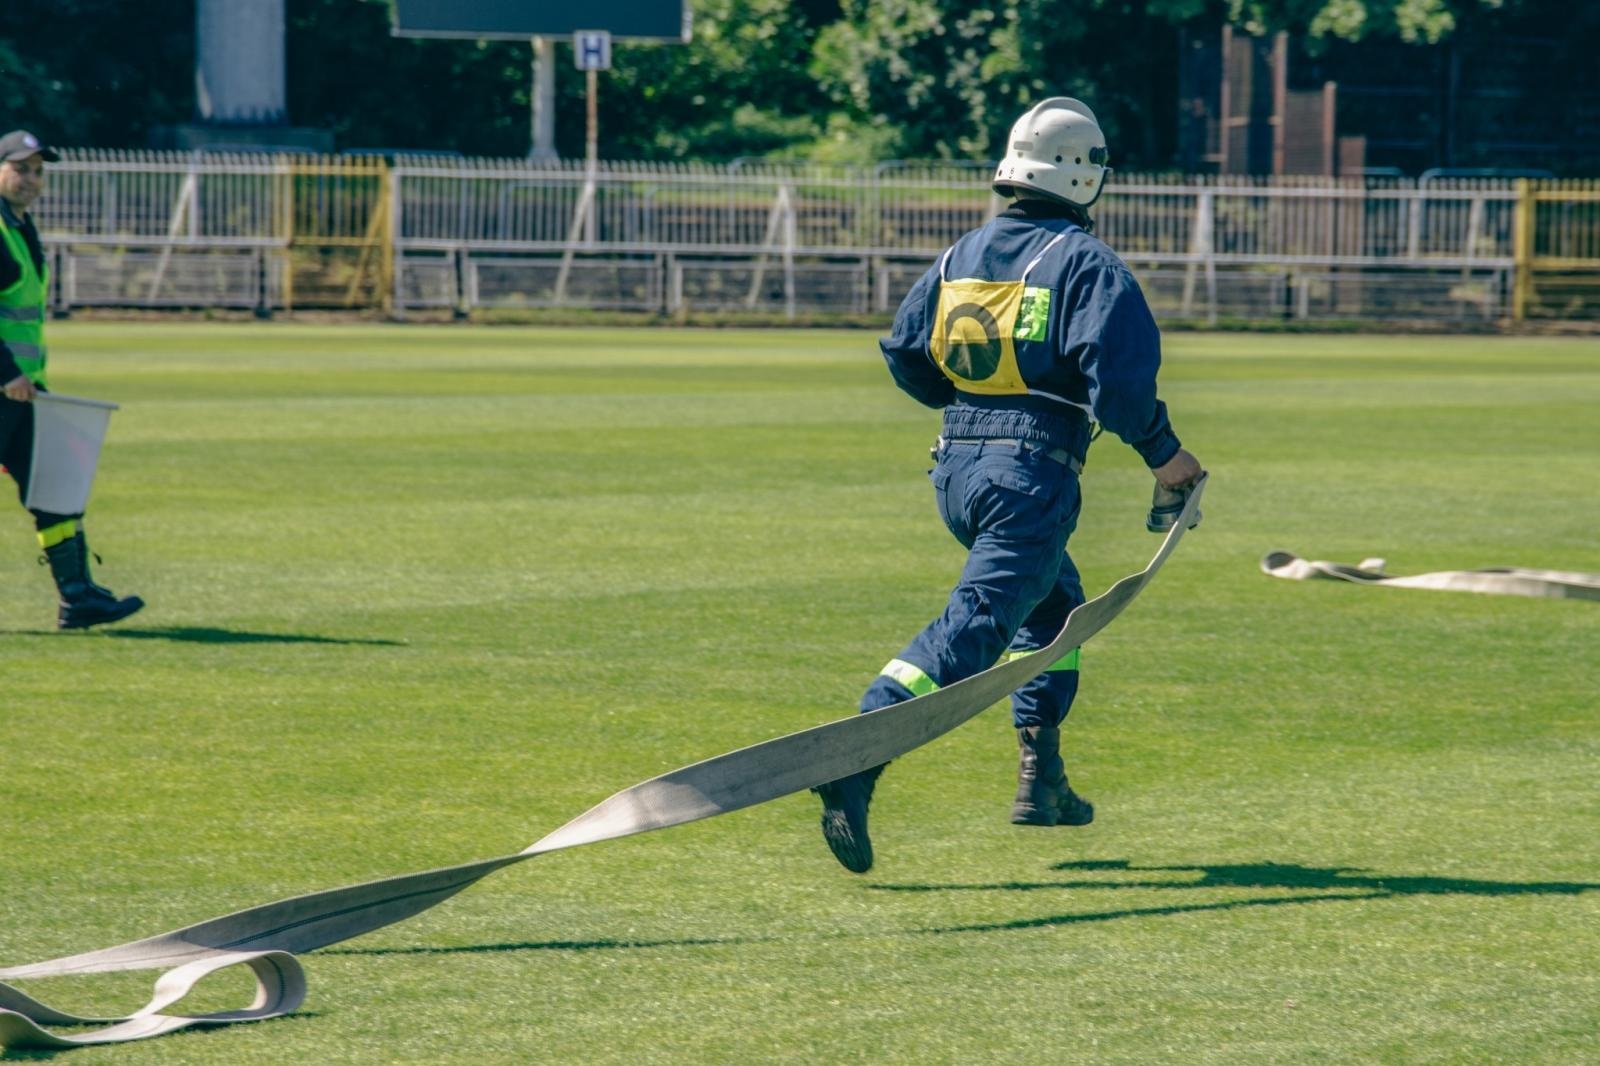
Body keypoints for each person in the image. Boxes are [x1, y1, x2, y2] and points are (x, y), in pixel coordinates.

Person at [813, 98, 1202, 873]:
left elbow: (903, 351)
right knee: (979, 626)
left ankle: (1043, 779)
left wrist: (968, 413)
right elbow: (1119, 393)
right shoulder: (1088, 264)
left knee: (1055, 611)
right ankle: (859, 748)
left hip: (957, 470)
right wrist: (1170, 460)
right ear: (1088, 176)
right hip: (1030, 479)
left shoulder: (961, 253)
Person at [0, 129, 144, 630]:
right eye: (21, 169)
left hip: (24, 391)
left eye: (38, 171)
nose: (32, 180)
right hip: (6, 387)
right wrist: (6, 374)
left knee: (56, 487)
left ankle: (77, 597)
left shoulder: (20, 226)